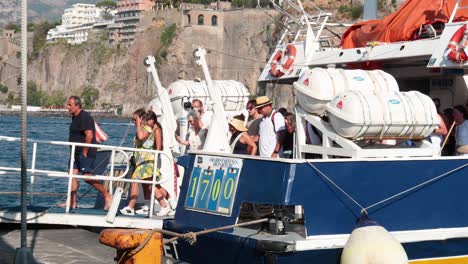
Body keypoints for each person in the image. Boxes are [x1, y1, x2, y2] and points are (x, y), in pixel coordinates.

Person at [120, 110, 174, 216]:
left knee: (136, 181)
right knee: (150, 186)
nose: (133, 122)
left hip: (147, 161)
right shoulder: (143, 128)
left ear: (141, 119)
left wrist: (139, 124)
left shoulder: (147, 128)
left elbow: (141, 137)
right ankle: (164, 205)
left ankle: (130, 207)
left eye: (135, 119)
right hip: (141, 161)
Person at [64, 96, 112, 210]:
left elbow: (89, 135)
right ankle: (72, 203)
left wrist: (85, 151)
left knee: (87, 177)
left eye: (70, 105)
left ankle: (107, 195)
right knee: (72, 176)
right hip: (75, 152)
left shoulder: (84, 117)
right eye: (68, 104)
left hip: (85, 152)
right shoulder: (74, 117)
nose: (68, 107)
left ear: (77, 105)